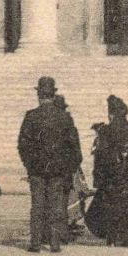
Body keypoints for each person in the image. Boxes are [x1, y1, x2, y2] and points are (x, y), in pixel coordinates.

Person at [17, 77, 77, 252]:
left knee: (37, 206)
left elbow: (22, 145)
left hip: (36, 170)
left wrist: (29, 164)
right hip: (58, 170)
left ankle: (35, 243)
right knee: (56, 206)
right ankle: (54, 243)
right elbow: (74, 146)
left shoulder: (31, 116)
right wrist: (67, 168)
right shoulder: (64, 117)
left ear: (39, 95)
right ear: (53, 94)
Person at [85, 95, 128, 247]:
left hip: (110, 174)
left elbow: (98, 155)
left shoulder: (104, 130)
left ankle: (111, 237)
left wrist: (98, 177)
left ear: (111, 114)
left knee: (110, 204)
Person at [52, 94, 85, 241]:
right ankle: (67, 228)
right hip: (68, 171)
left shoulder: (47, 126)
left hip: (51, 171)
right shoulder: (71, 127)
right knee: (70, 198)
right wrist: (73, 168)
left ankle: (54, 231)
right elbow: (77, 154)